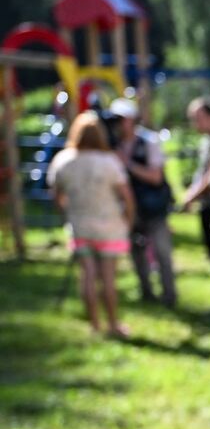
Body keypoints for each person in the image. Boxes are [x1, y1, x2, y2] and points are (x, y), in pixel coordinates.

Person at [47, 111, 135, 338]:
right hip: (110, 226)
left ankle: (95, 325)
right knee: (107, 277)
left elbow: (56, 194)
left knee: (87, 274)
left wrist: (66, 212)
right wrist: (129, 220)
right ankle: (113, 324)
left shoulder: (63, 160)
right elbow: (126, 196)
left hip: (80, 224)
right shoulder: (109, 161)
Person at [110, 98, 177, 307]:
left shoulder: (148, 142)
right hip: (130, 207)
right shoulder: (114, 145)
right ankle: (146, 292)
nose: (119, 124)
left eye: (122, 119)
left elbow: (156, 177)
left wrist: (127, 164)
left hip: (153, 206)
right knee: (136, 251)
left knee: (161, 251)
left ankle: (169, 295)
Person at [178, 97, 210, 261]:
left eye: (198, 119)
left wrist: (192, 195)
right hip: (206, 204)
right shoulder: (206, 140)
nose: (195, 124)